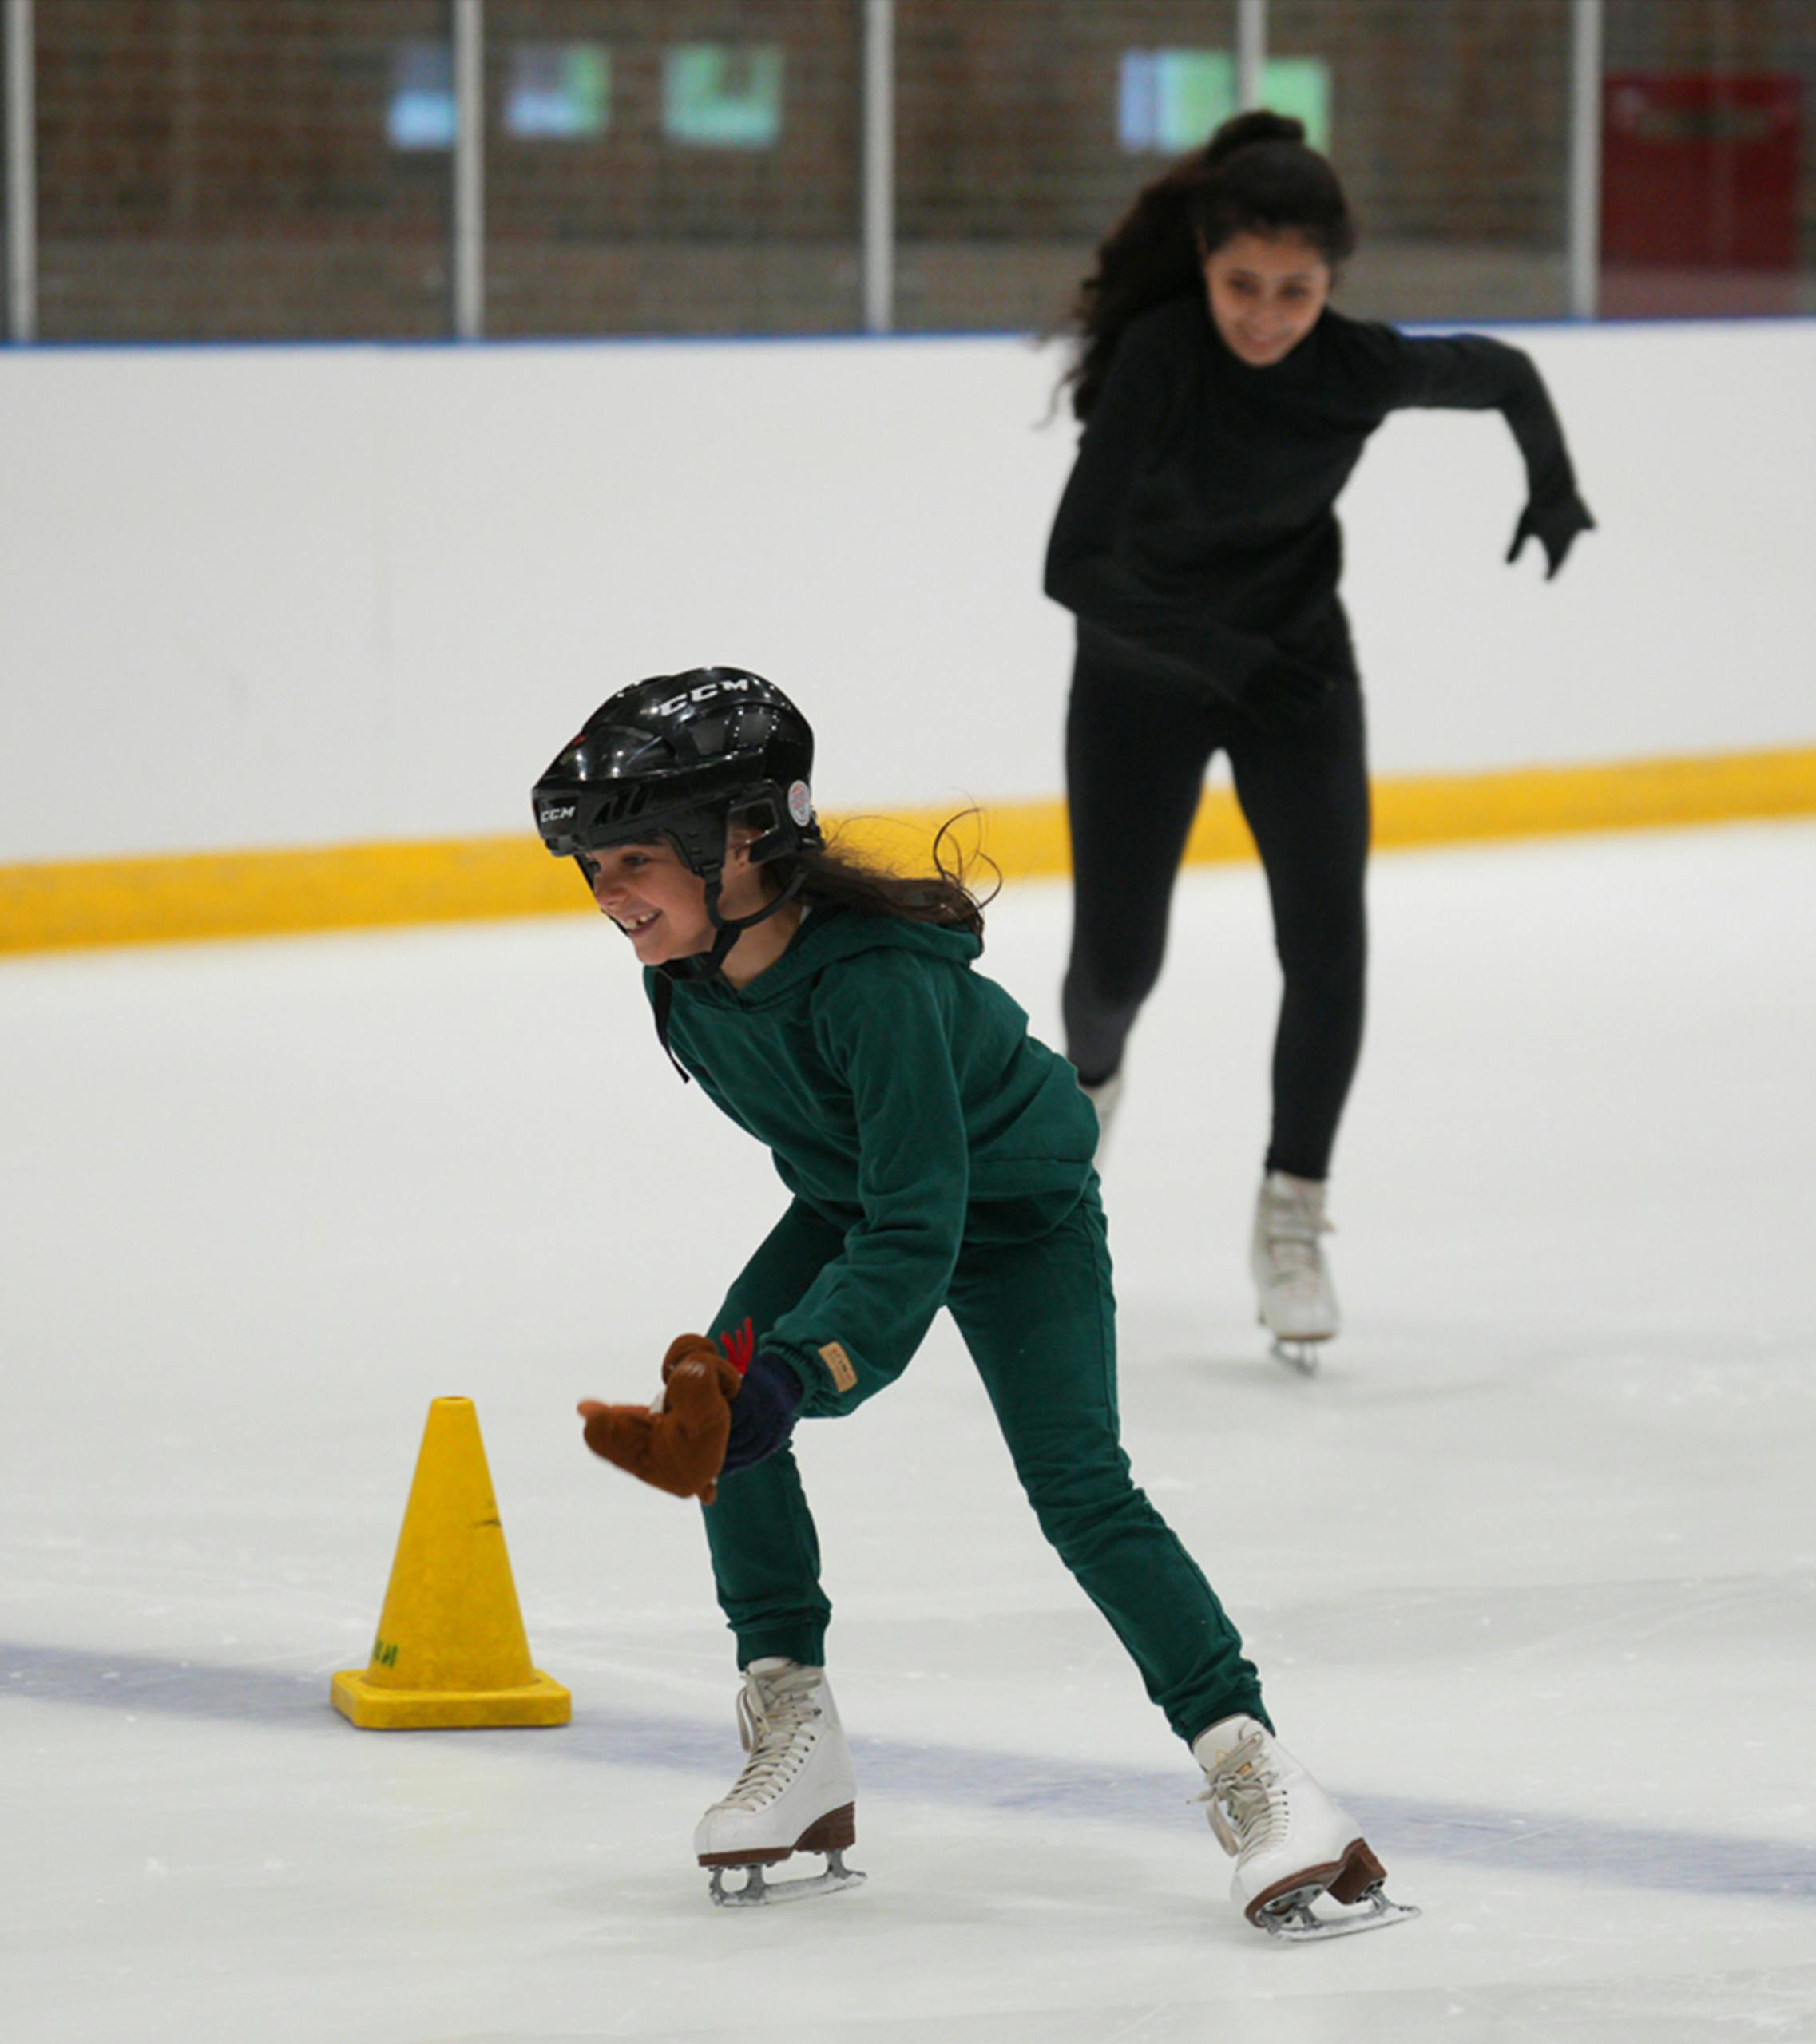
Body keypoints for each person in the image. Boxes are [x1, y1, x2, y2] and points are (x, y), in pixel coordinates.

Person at [531, 664, 1413, 1940]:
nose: (609, 899)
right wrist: (757, 1383)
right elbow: (863, 1190)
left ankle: (1261, 1775)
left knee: (1080, 1492)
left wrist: (802, 1370)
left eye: (631, 864)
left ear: (742, 839)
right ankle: (795, 1724)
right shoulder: (687, 974)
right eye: (593, 870)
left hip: (1015, 1214)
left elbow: (919, 1222)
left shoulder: (877, 986)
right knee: (717, 1408)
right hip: (863, 1197)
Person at [1044, 110, 1594, 1370]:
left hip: (1298, 675)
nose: (1267, 316)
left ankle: (1291, 1214)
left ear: (1332, 280)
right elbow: (1071, 566)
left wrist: (1551, 483)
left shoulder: (1352, 369)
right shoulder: (1162, 358)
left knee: (1330, 947)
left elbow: (1504, 371)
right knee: (1116, 968)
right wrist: (1226, 660)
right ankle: (1068, 1124)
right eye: (1244, 285)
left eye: (1297, 291)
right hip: (1139, 673)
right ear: (1204, 261)